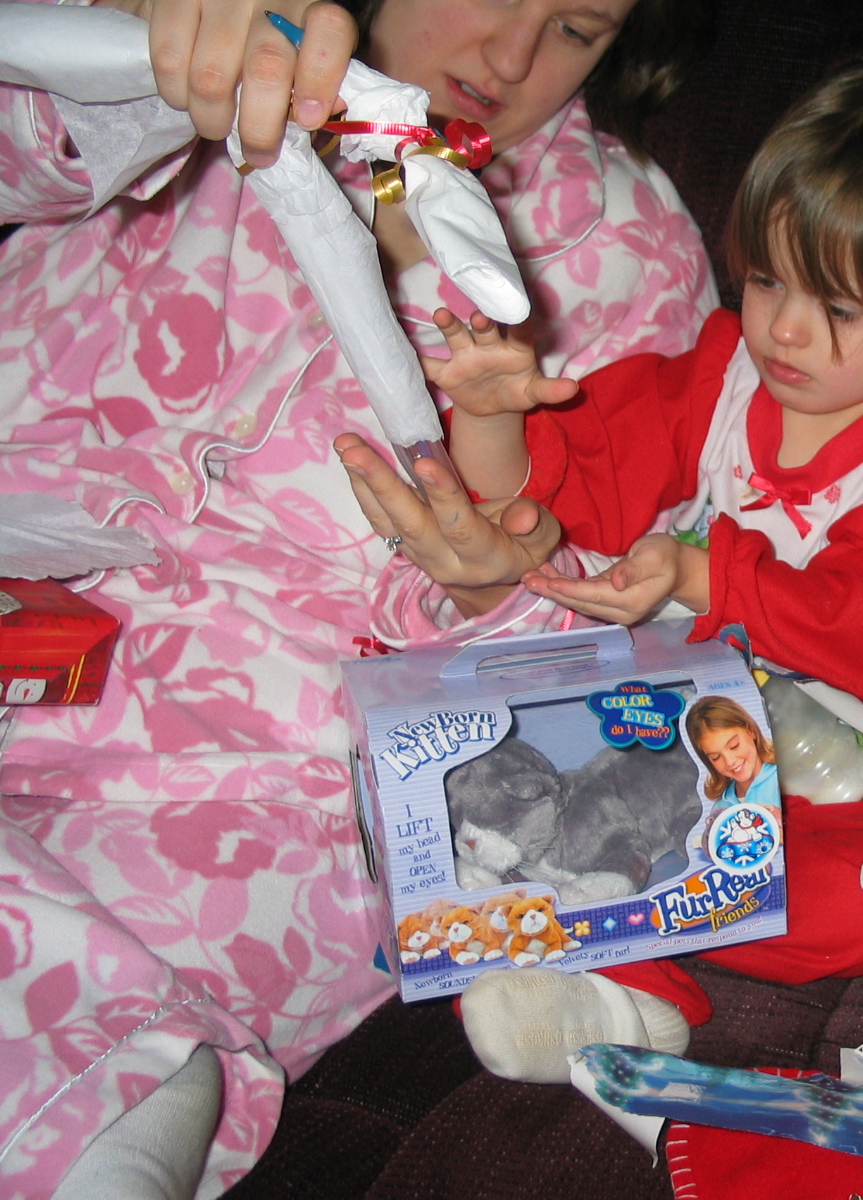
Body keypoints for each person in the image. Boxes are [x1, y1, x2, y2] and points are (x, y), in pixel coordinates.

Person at [0, 0, 715, 1193]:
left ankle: (117, 1094)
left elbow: (635, 656)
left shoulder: (627, 260)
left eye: (577, 28)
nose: (511, 59)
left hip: (242, 792)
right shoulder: (206, 37)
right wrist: (139, 64)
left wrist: (493, 590)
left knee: (95, 997)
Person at [370, 62, 863, 1085]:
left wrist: (700, 575)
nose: (785, 328)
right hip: (687, 731)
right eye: (768, 280)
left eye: (838, 308)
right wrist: (493, 416)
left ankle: (614, 969)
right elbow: (574, 488)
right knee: (500, 783)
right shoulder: (723, 369)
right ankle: (608, 974)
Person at [685, 695, 779, 809]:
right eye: (716, 757)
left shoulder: (786, 779)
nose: (730, 762)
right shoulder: (721, 808)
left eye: (734, 746)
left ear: (751, 731)